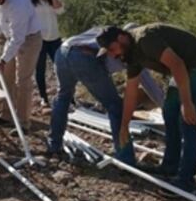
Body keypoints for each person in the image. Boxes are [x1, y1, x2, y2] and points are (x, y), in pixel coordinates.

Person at [97, 23, 196, 191]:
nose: (113, 55)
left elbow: (177, 65)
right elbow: (131, 92)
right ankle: (170, 167)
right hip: (181, 71)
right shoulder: (130, 54)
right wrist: (124, 125)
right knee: (169, 113)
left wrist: (187, 103)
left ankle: (186, 180)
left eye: (111, 49)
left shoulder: (146, 40)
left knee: (188, 120)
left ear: (121, 38)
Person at [47, 26, 164, 162]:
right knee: (115, 106)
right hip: (83, 57)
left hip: (63, 51)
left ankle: (54, 145)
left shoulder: (105, 33)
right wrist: (165, 107)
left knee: (63, 97)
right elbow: (148, 83)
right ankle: (126, 159)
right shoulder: (127, 50)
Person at [0, 0, 43, 131]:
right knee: (6, 77)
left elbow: (18, 38)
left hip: (29, 39)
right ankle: (6, 116)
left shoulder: (18, 3)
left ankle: (23, 123)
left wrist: (3, 60)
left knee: (23, 80)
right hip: (11, 38)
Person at [30, 0, 64, 107]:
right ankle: (44, 97)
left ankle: (66, 96)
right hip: (39, 39)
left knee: (61, 67)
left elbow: (60, 10)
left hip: (55, 37)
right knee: (40, 69)